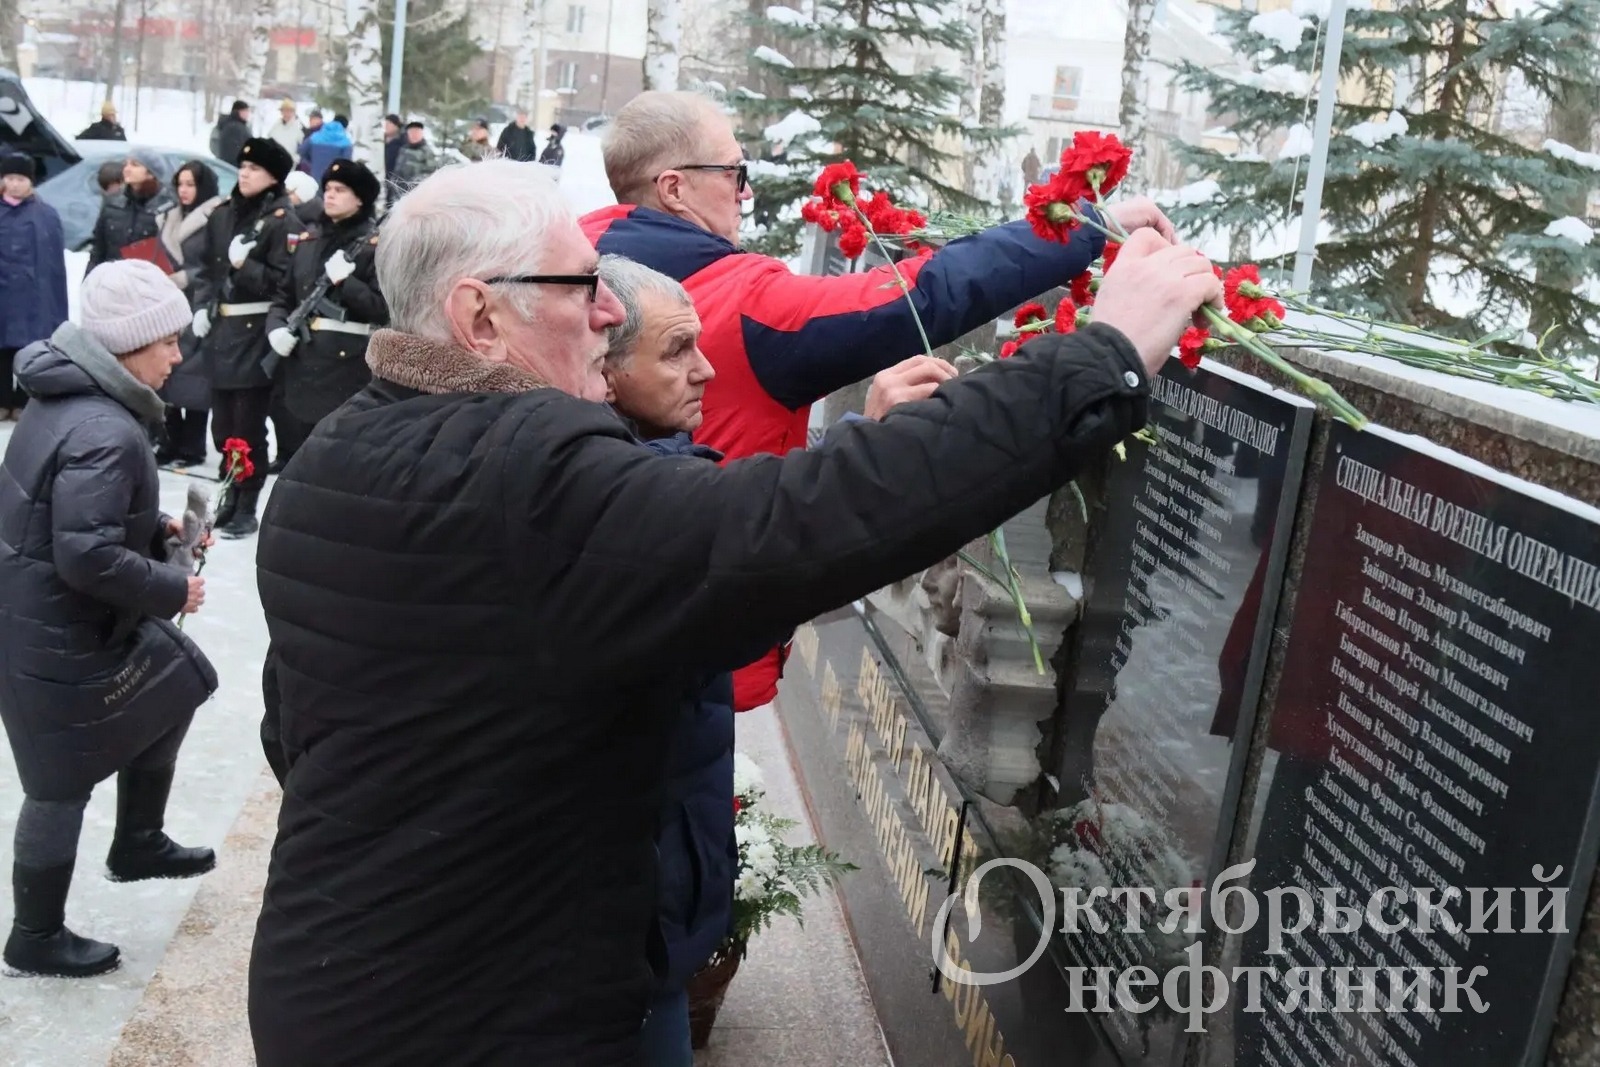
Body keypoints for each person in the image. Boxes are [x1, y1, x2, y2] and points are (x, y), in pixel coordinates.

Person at [245, 158, 1221, 1066]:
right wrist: (1100, 358)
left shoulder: (336, 456)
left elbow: (298, 732)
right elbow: (793, 527)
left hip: (330, 981)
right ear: (479, 316)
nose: (606, 313)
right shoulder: (523, 471)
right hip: (472, 1019)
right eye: (581, 288)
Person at [583, 89, 1177, 711]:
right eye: (735, 173)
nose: (745, 193)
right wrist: (1087, 228)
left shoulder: (584, 264)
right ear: (674, 189)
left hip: (621, 614)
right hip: (703, 645)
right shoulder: (742, 303)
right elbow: (920, 297)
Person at [597, 255, 958, 1063]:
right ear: (603, 366)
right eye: (677, 350)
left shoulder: (624, 466)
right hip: (616, 934)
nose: (708, 367)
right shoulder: (622, 497)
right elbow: (759, 562)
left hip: (640, 917)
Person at [0, 259, 219, 979]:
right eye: (167, 342)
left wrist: (156, 527)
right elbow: (85, 555)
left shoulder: (74, 400)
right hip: (52, 624)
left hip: (48, 610)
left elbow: (74, 515)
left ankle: (139, 838)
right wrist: (172, 586)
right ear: (129, 344)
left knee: (177, 681)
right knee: (58, 781)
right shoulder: (105, 427)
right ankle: (35, 935)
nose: (177, 356)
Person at [191, 137, 302, 539]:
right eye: (242, 166)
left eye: (254, 168)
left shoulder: (282, 220)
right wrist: (202, 306)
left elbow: (284, 282)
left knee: (247, 424)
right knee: (222, 427)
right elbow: (205, 268)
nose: (244, 173)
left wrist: (247, 265)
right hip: (223, 330)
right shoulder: (222, 214)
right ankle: (228, 493)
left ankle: (247, 502)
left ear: (273, 176)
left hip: (255, 334)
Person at [261, 159, 386, 478]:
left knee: (333, 465)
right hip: (301, 366)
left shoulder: (376, 247)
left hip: (345, 372)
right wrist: (276, 329)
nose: (329, 195)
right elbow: (283, 298)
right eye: (328, 188)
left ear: (360, 199)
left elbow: (382, 310)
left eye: (340, 190)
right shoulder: (308, 241)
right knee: (297, 461)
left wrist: (348, 284)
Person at [156, 159, 225, 467]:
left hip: (198, 300)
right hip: (166, 301)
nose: (184, 191)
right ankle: (168, 440)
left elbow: (216, 262)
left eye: (190, 184)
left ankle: (193, 446)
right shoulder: (168, 215)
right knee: (166, 372)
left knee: (195, 375)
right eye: (180, 184)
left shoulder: (215, 215)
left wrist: (187, 276)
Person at [0, 153, 68, 421]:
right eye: (10, 178)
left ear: (31, 181)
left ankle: (24, 398)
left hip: (33, 296)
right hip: (3, 293)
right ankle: (3, 399)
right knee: (2, 351)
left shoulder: (45, 215)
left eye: (21, 179)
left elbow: (52, 265)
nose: (15, 184)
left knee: (31, 349)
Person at [87, 149, 175, 273]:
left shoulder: (168, 206)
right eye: (126, 164)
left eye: (135, 165)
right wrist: (89, 282)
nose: (127, 169)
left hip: (149, 283)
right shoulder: (113, 202)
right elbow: (98, 250)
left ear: (151, 173)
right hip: (112, 281)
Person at [390, 120, 441, 194]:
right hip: (398, 192)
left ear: (421, 134)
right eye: (411, 132)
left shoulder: (427, 152)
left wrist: (414, 184)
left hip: (417, 193)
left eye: (417, 132)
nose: (414, 135)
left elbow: (431, 174)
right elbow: (397, 170)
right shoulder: (403, 150)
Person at [302, 113, 353, 181]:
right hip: (334, 178)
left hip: (314, 176)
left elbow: (302, 150)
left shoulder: (316, 136)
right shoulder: (345, 141)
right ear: (344, 127)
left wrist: (312, 161)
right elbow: (346, 162)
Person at [210, 100, 252, 166]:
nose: (247, 114)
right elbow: (235, 150)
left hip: (226, 165)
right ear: (238, 112)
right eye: (245, 111)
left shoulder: (234, 124)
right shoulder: (234, 127)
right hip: (233, 167)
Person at [382, 113, 404, 206]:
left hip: (392, 180)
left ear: (396, 126)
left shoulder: (401, 144)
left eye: (390, 123)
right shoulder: (379, 141)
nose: (386, 126)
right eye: (386, 123)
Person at [295, 110, 325, 175]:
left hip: (314, 167)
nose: (310, 121)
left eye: (313, 119)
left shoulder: (322, 133)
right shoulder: (309, 132)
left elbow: (302, 150)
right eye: (310, 119)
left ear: (320, 120)